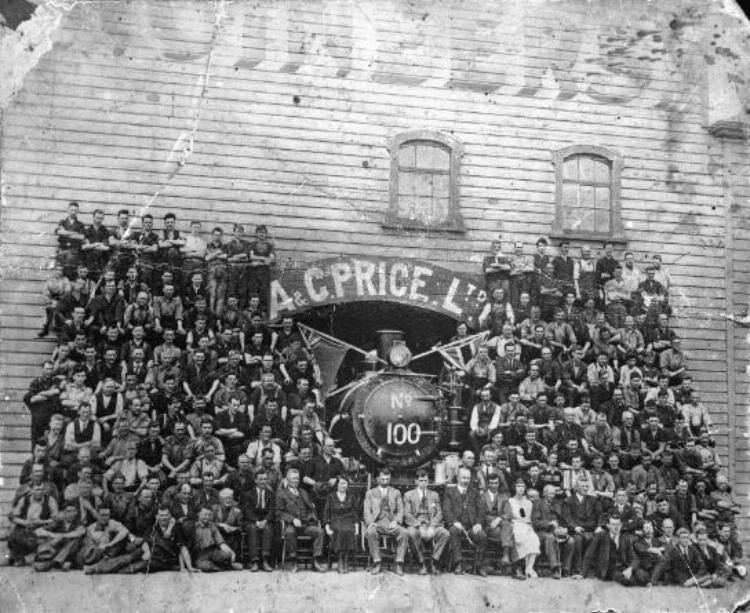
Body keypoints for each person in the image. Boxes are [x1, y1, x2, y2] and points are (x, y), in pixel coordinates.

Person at [276, 468, 326, 572]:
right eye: (293, 478)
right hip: (291, 525)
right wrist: (292, 519)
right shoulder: (281, 494)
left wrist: (312, 513)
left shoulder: (303, 492)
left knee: (320, 532)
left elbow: (311, 507)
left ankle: (315, 561)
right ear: (287, 480)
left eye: (297, 478)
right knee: (289, 532)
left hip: (306, 524)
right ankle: (294, 561)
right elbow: (278, 512)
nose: (296, 480)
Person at [363, 467, 409, 575]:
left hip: (391, 522)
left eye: (387, 479)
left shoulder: (396, 492)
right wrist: (370, 522)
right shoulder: (370, 493)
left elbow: (400, 510)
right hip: (377, 523)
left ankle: (398, 563)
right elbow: (366, 510)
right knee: (371, 532)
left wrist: (396, 521)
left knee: (404, 532)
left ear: (390, 479)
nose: (385, 481)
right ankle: (377, 562)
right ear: (378, 479)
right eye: (382, 479)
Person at [443, 466, 488, 576]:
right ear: (458, 478)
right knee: (454, 531)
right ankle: (458, 563)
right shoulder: (450, 492)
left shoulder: (475, 493)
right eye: (463, 478)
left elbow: (481, 510)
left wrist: (478, 523)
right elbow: (446, 509)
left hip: (471, 526)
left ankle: (478, 565)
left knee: (482, 536)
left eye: (468, 478)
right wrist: (454, 521)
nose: (466, 481)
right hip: (457, 525)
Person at [403, 469, 449, 576]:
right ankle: (421, 562)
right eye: (421, 481)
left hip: (431, 525)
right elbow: (407, 514)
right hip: (416, 525)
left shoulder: (434, 495)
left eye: (425, 481)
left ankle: (434, 561)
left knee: (445, 534)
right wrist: (419, 526)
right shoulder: (409, 495)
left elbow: (439, 513)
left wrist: (432, 527)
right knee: (410, 533)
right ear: (416, 481)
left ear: (428, 481)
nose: (423, 483)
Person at [582, 514, 644, 586]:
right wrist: (582, 573)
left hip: (623, 566)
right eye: (613, 524)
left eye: (618, 524)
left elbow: (634, 557)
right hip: (608, 569)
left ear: (621, 525)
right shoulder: (600, 536)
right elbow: (589, 553)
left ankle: (635, 577)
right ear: (608, 525)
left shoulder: (625, 538)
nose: (616, 527)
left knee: (643, 577)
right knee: (628, 580)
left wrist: (630, 569)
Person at [8, 484, 58, 566]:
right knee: (14, 533)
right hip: (26, 527)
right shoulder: (24, 500)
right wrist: (25, 522)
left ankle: (41, 556)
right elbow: (13, 517)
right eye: (37, 490)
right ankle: (18, 557)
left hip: (42, 527)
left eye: (42, 489)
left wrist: (41, 522)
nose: (40, 492)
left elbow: (55, 518)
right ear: (31, 491)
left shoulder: (50, 500)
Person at [532, 484, 572, 579]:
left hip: (557, 531)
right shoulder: (538, 504)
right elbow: (536, 522)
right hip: (542, 532)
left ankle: (566, 569)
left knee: (571, 541)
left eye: (554, 493)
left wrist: (564, 528)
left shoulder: (558, 504)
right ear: (544, 494)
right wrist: (549, 523)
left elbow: (563, 519)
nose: (552, 496)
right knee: (550, 538)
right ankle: (555, 569)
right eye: (550, 494)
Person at [32, 501, 86, 572]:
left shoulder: (78, 522)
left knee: (75, 541)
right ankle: (58, 562)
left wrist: (62, 536)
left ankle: (56, 562)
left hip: (73, 554)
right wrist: (53, 535)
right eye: (68, 511)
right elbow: (37, 531)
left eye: (73, 511)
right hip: (58, 550)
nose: (71, 514)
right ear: (64, 512)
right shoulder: (58, 522)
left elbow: (80, 532)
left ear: (76, 512)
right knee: (39, 567)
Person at [505, 479, 540, 579]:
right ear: (514, 487)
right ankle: (525, 567)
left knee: (534, 539)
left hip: (527, 525)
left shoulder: (529, 502)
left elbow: (530, 518)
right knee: (522, 539)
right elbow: (509, 517)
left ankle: (529, 567)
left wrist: (529, 527)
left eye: (523, 486)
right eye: (518, 486)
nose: (521, 488)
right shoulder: (510, 501)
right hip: (515, 524)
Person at [143, 505, 196, 572]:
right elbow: (144, 541)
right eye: (161, 515)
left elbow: (182, 548)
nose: (164, 518)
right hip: (153, 556)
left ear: (170, 515)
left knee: (140, 565)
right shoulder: (152, 527)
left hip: (167, 560)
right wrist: (147, 551)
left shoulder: (176, 528)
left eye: (166, 515)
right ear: (157, 516)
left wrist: (189, 567)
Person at [324, 475, 359, 574]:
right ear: (337, 485)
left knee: (348, 529)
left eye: (345, 483)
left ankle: (346, 560)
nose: (343, 485)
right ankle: (340, 559)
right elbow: (326, 514)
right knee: (341, 530)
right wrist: (327, 528)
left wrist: (357, 528)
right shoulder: (331, 497)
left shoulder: (351, 497)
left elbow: (355, 514)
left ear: (348, 485)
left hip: (348, 520)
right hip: (335, 521)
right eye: (341, 483)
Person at [191, 506, 243, 572]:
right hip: (200, 555)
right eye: (205, 515)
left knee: (227, 555)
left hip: (212, 551)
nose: (207, 517)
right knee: (206, 566)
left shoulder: (212, 526)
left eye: (209, 515)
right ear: (199, 514)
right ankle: (227, 567)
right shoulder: (193, 526)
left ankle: (221, 565)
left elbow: (221, 542)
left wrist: (232, 553)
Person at [481, 472, 513, 572]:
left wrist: (499, 519)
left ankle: (505, 557)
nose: (494, 486)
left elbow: (508, 513)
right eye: (492, 483)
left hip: (500, 525)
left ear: (499, 483)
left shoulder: (504, 497)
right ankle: (506, 558)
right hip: (487, 525)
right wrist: (492, 521)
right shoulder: (482, 496)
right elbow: (481, 514)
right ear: (488, 484)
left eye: (496, 483)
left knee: (506, 525)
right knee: (510, 532)